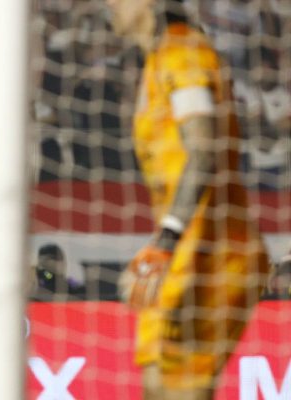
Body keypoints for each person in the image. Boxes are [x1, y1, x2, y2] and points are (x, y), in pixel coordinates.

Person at [107, 1, 270, 399]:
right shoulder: (158, 59)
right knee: (156, 386)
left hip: (211, 254)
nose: (107, 5)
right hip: (184, 251)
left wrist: (166, 239)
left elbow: (203, 150)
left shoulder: (183, 52)